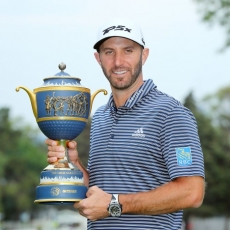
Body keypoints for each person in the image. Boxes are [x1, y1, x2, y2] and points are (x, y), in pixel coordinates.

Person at [46, 18, 205, 230]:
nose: (118, 61)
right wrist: (73, 166)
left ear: (144, 55)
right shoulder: (100, 117)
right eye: (109, 52)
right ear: (98, 58)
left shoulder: (171, 115)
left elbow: (192, 192)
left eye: (128, 50)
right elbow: (97, 195)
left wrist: (115, 204)